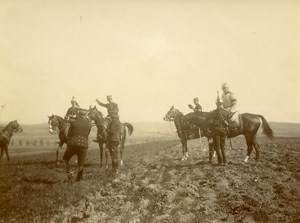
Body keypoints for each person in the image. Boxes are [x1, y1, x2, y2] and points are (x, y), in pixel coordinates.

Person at [96, 95, 122, 174]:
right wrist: (98, 102)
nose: (109, 100)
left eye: (110, 99)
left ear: (112, 99)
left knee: (116, 124)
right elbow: (102, 104)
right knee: (103, 123)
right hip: (109, 117)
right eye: (108, 99)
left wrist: (112, 113)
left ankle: (116, 168)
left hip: (114, 116)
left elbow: (117, 110)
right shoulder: (107, 105)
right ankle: (100, 135)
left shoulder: (115, 104)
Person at [63, 109, 91, 181]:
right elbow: (87, 134)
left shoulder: (73, 122)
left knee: (65, 159)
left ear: (79, 114)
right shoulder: (88, 123)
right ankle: (78, 179)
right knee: (81, 163)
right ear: (85, 115)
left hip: (73, 143)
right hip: (84, 144)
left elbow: (69, 134)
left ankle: (69, 174)